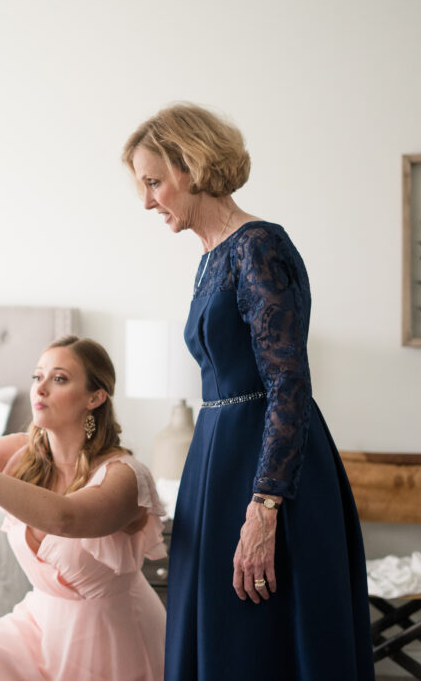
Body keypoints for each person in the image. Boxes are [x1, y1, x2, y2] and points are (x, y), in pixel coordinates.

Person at [122, 103, 374, 680]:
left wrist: (265, 508)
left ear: (192, 165)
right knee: (220, 632)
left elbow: (288, 383)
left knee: (264, 637)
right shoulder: (211, 258)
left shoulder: (258, 246)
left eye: (154, 182)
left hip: (268, 471)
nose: (147, 201)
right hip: (217, 457)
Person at [0, 335, 167, 681]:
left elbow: (66, 518)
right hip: (37, 626)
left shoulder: (125, 476)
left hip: (112, 638)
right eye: (37, 377)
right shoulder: (20, 453)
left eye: (59, 378)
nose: (40, 388)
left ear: (95, 397)